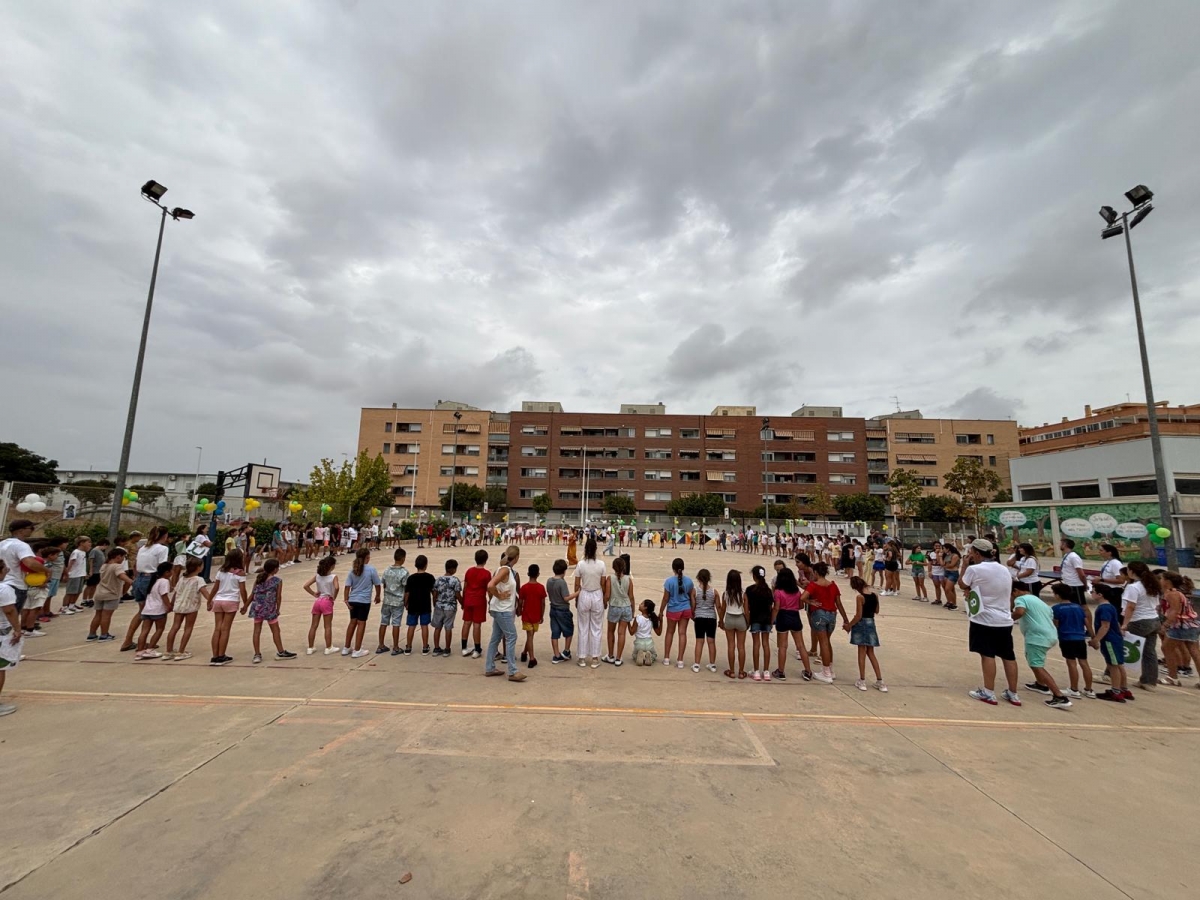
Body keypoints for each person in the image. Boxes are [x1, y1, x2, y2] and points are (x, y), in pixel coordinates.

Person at [962, 539, 1021, 706]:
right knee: (1008, 655)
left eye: (972, 552)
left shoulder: (975, 569)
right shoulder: (1003, 569)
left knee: (987, 654)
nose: (970, 555)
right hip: (1004, 619)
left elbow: (962, 584)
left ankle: (988, 692)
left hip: (984, 618)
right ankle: (1013, 693)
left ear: (978, 553)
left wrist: (965, 566)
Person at [1011, 582, 1071, 709]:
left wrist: (1008, 618)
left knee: (1036, 665)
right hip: (1049, 635)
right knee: (1033, 659)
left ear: (1015, 591)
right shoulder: (1039, 601)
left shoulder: (1021, 599)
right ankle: (1040, 684)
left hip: (1037, 636)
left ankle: (1059, 696)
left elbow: (1020, 612)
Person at [122, 527, 171, 652]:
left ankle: (129, 640)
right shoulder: (162, 548)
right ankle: (144, 643)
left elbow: (135, 565)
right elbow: (162, 566)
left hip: (140, 578)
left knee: (142, 612)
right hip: (151, 578)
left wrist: (136, 578)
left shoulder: (143, 548)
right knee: (152, 612)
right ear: (164, 536)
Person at [484, 545, 526, 682]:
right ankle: (512, 671)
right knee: (511, 636)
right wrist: (500, 595)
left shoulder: (502, 569)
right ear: (517, 557)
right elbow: (490, 585)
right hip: (503, 610)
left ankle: (489, 667)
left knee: (495, 638)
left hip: (499, 609)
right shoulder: (505, 570)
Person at [1120, 561, 1163, 691]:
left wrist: (1125, 624)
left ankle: (1110, 674)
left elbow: (1131, 606)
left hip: (1139, 621)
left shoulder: (1133, 587)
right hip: (1153, 619)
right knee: (1149, 652)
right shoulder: (1152, 585)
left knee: (1121, 647)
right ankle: (1149, 681)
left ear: (1132, 571)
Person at [202, 549, 249, 666]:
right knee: (225, 629)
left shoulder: (221, 571)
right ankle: (222, 655)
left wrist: (209, 600)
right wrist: (245, 604)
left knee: (217, 628)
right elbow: (243, 590)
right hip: (231, 601)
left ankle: (215, 655)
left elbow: (215, 588)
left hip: (219, 600)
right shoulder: (240, 573)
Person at [1049, 583, 1095, 699]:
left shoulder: (1056, 608)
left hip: (1066, 638)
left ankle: (1074, 689)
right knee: (1084, 663)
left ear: (1058, 595)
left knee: (1071, 663)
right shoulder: (1078, 607)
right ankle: (1089, 689)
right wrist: (1093, 637)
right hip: (1080, 638)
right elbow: (1087, 623)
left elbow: (1056, 624)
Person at [245, 558, 296, 663]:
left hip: (257, 607)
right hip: (269, 608)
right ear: (275, 569)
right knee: (275, 630)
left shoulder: (259, 578)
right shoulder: (277, 581)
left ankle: (257, 654)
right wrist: (278, 609)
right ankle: (281, 651)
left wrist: (245, 606)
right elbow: (278, 597)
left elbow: (253, 593)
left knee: (257, 630)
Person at [844, 576, 886, 691]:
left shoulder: (860, 597)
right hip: (871, 623)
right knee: (871, 652)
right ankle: (880, 681)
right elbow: (876, 611)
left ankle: (862, 680)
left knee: (861, 652)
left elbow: (858, 616)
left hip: (861, 624)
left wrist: (849, 625)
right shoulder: (874, 595)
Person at [1159, 571, 1200, 687]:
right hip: (1191, 623)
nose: (1160, 581)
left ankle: (1172, 676)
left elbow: (1174, 611)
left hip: (1180, 625)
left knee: (1166, 648)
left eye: (1162, 579)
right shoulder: (1178, 593)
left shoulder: (1172, 594)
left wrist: (1165, 625)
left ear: (1167, 581)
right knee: (1195, 651)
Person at [771, 566, 812, 681]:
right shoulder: (797, 592)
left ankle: (781, 671)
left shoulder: (778, 592)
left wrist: (771, 620)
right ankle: (808, 671)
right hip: (794, 616)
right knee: (800, 645)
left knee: (782, 646)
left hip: (783, 616)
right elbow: (800, 606)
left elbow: (776, 608)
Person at [1091, 584, 1129, 702]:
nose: (1091, 593)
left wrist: (1096, 639)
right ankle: (1123, 689)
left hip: (1109, 640)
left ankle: (1115, 691)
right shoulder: (1111, 607)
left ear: (1100, 594)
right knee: (1119, 664)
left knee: (1112, 665)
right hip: (1116, 638)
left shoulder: (1104, 608)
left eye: (1093, 591)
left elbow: (1105, 625)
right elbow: (1116, 623)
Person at [574, 538, 608, 669]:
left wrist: (577, 599)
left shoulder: (581, 564)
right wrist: (604, 599)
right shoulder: (601, 564)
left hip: (584, 594)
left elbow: (577, 584)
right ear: (595, 549)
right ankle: (595, 658)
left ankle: (582, 658)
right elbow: (603, 584)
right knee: (596, 627)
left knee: (583, 627)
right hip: (597, 594)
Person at [342, 548, 382, 659]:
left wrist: (346, 599)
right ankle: (357, 649)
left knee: (352, 622)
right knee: (361, 623)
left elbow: (347, 586)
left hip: (353, 599)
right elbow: (377, 584)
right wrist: (378, 595)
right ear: (366, 558)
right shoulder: (371, 569)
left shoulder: (353, 570)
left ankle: (346, 647)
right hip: (363, 600)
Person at [163, 556, 204, 661]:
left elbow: (176, 592)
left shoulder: (182, 578)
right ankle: (181, 651)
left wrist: (171, 604)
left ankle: (169, 651)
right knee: (188, 628)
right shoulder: (198, 579)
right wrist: (211, 601)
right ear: (198, 567)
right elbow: (204, 592)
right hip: (191, 605)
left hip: (179, 605)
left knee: (175, 627)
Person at [85, 547, 131, 641]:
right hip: (111, 594)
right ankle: (104, 634)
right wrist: (132, 582)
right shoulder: (117, 566)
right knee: (106, 615)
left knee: (98, 614)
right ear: (118, 557)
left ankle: (92, 634)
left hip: (99, 593)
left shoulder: (104, 566)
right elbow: (121, 575)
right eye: (123, 557)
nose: (123, 560)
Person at [660, 557, 695, 669]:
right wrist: (693, 610)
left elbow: (665, 598)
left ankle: (666, 657)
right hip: (685, 608)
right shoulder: (689, 581)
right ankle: (680, 660)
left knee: (670, 632)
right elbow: (692, 597)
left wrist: (660, 611)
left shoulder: (669, 581)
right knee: (682, 633)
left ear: (673, 568)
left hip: (673, 609)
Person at [304, 555, 340, 656]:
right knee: (327, 626)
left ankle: (310, 647)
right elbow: (337, 587)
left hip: (318, 601)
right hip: (327, 601)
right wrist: (334, 596)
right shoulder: (333, 577)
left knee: (313, 626)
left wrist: (313, 593)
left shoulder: (317, 576)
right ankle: (329, 647)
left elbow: (306, 585)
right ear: (332, 566)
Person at [745, 565, 776, 681]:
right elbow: (771, 606)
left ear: (754, 576)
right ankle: (766, 671)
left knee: (756, 644)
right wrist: (771, 620)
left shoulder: (750, 590)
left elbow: (747, 608)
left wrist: (748, 621)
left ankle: (757, 671)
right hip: (766, 619)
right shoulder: (768, 591)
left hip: (755, 619)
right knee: (766, 644)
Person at [376, 548, 408, 655]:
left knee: (383, 622)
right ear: (403, 559)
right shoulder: (404, 572)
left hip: (387, 600)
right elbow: (406, 588)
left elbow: (384, 584)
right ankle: (395, 647)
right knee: (396, 624)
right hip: (398, 601)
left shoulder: (387, 570)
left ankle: (381, 645)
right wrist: (406, 601)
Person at [603, 555, 634, 666]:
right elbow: (631, 597)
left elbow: (607, 595)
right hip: (626, 607)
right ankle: (618, 658)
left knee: (611, 631)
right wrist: (632, 609)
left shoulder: (610, 579)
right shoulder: (628, 580)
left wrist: (605, 603)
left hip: (615, 606)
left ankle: (610, 655)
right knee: (622, 633)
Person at [401, 554, 434, 656]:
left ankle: (408, 647)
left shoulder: (411, 578)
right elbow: (434, 591)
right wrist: (435, 601)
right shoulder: (430, 577)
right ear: (426, 565)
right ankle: (425, 647)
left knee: (411, 626)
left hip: (413, 605)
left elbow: (407, 593)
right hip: (425, 605)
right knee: (424, 625)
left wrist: (405, 603)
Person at [0, 561, 21, 716]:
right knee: (0, 668)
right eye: (5, 567)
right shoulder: (4, 589)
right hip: (2, 632)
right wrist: (17, 629)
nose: (8, 569)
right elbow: (9, 610)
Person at [460, 549, 490, 658]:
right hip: (479, 600)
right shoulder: (486, 574)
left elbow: (465, 587)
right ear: (485, 560)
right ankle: (477, 649)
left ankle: (464, 647)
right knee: (477, 625)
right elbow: (489, 589)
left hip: (468, 598)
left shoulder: (469, 571)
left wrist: (463, 600)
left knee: (466, 623)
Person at [432, 559, 462, 658]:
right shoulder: (455, 580)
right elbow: (457, 594)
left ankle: (436, 648)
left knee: (438, 627)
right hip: (450, 607)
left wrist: (434, 603)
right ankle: (447, 649)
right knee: (448, 627)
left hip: (439, 605)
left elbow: (434, 594)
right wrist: (463, 603)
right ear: (453, 569)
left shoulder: (438, 579)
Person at [547, 559, 575, 664]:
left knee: (555, 632)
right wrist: (577, 593)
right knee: (568, 630)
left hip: (553, 608)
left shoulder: (549, 580)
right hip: (562, 609)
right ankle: (566, 651)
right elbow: (566, 598)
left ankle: (556, 654)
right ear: (564, 571)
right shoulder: (561, 582)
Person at [519, 563, 546, 668]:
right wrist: (542, 615)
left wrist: (519, 610)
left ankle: (525, 653)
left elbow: (520, 602)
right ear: (538, 574)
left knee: (530, 636)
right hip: (536, 615)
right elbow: (543, 603)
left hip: (526, 614)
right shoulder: (541, 588)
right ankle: (531, 658)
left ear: (528, 574)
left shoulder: (524, 588)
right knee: (531, 635)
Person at [691, 568, 719, 673]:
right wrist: (720, 619)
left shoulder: (695, 591)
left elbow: (693, 605)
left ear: (698, 578)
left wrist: (692, 615)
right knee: (711, 641)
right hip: (711, 618)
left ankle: (697, 664)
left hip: (699, 617)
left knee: (699, 641)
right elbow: (718, 606)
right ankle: (712, 664)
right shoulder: (714, 592)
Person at [60, 536, 90, 615]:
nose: (89, 544)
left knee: (77, 591)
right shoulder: (76, 552)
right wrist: (66, 574)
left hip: (81, 574)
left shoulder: (83, 552)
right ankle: (64, 607)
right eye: (88, 542)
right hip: (74, 575)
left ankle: (72, 605)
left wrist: (85, 573)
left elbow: (82, 564)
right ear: (81, 543)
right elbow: (71, 563)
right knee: (70, 592)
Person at [630, 599, 663, 666]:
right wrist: (661, 621)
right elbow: (659, 633)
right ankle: (649, 657)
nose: (639, 605)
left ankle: (639, 657)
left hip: (639, 643)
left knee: (634, 655)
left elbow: (631, 632)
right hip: (649, 643)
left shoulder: (638, 618)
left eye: (642, 604)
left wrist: (628, 623)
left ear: (645, 607)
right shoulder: (652, 619)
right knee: (654, 654)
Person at [1057, 539, 1088, 606]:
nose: (1059, 545)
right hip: (1068, 584)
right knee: (1071, 604)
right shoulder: (1066, 555)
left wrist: (1085, 585)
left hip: (1075, 585)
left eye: (1060, 543)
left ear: (1064, 545)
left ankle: (1087, 617)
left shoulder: (1074, 557)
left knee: (1082, 606)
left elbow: (1081, 574)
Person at [941, 541, 961, 611]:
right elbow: (942, 563)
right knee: (950, 589)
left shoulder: (954, 555)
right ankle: (950, 601)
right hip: (947, 572)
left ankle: (953, 603)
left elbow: (952, 565)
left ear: (948, 548)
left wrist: (945, 566)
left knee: (948, 589)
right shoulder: (946, 555)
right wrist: (939, 556)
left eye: (944, 548)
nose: (943, 550)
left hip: (953, 572)